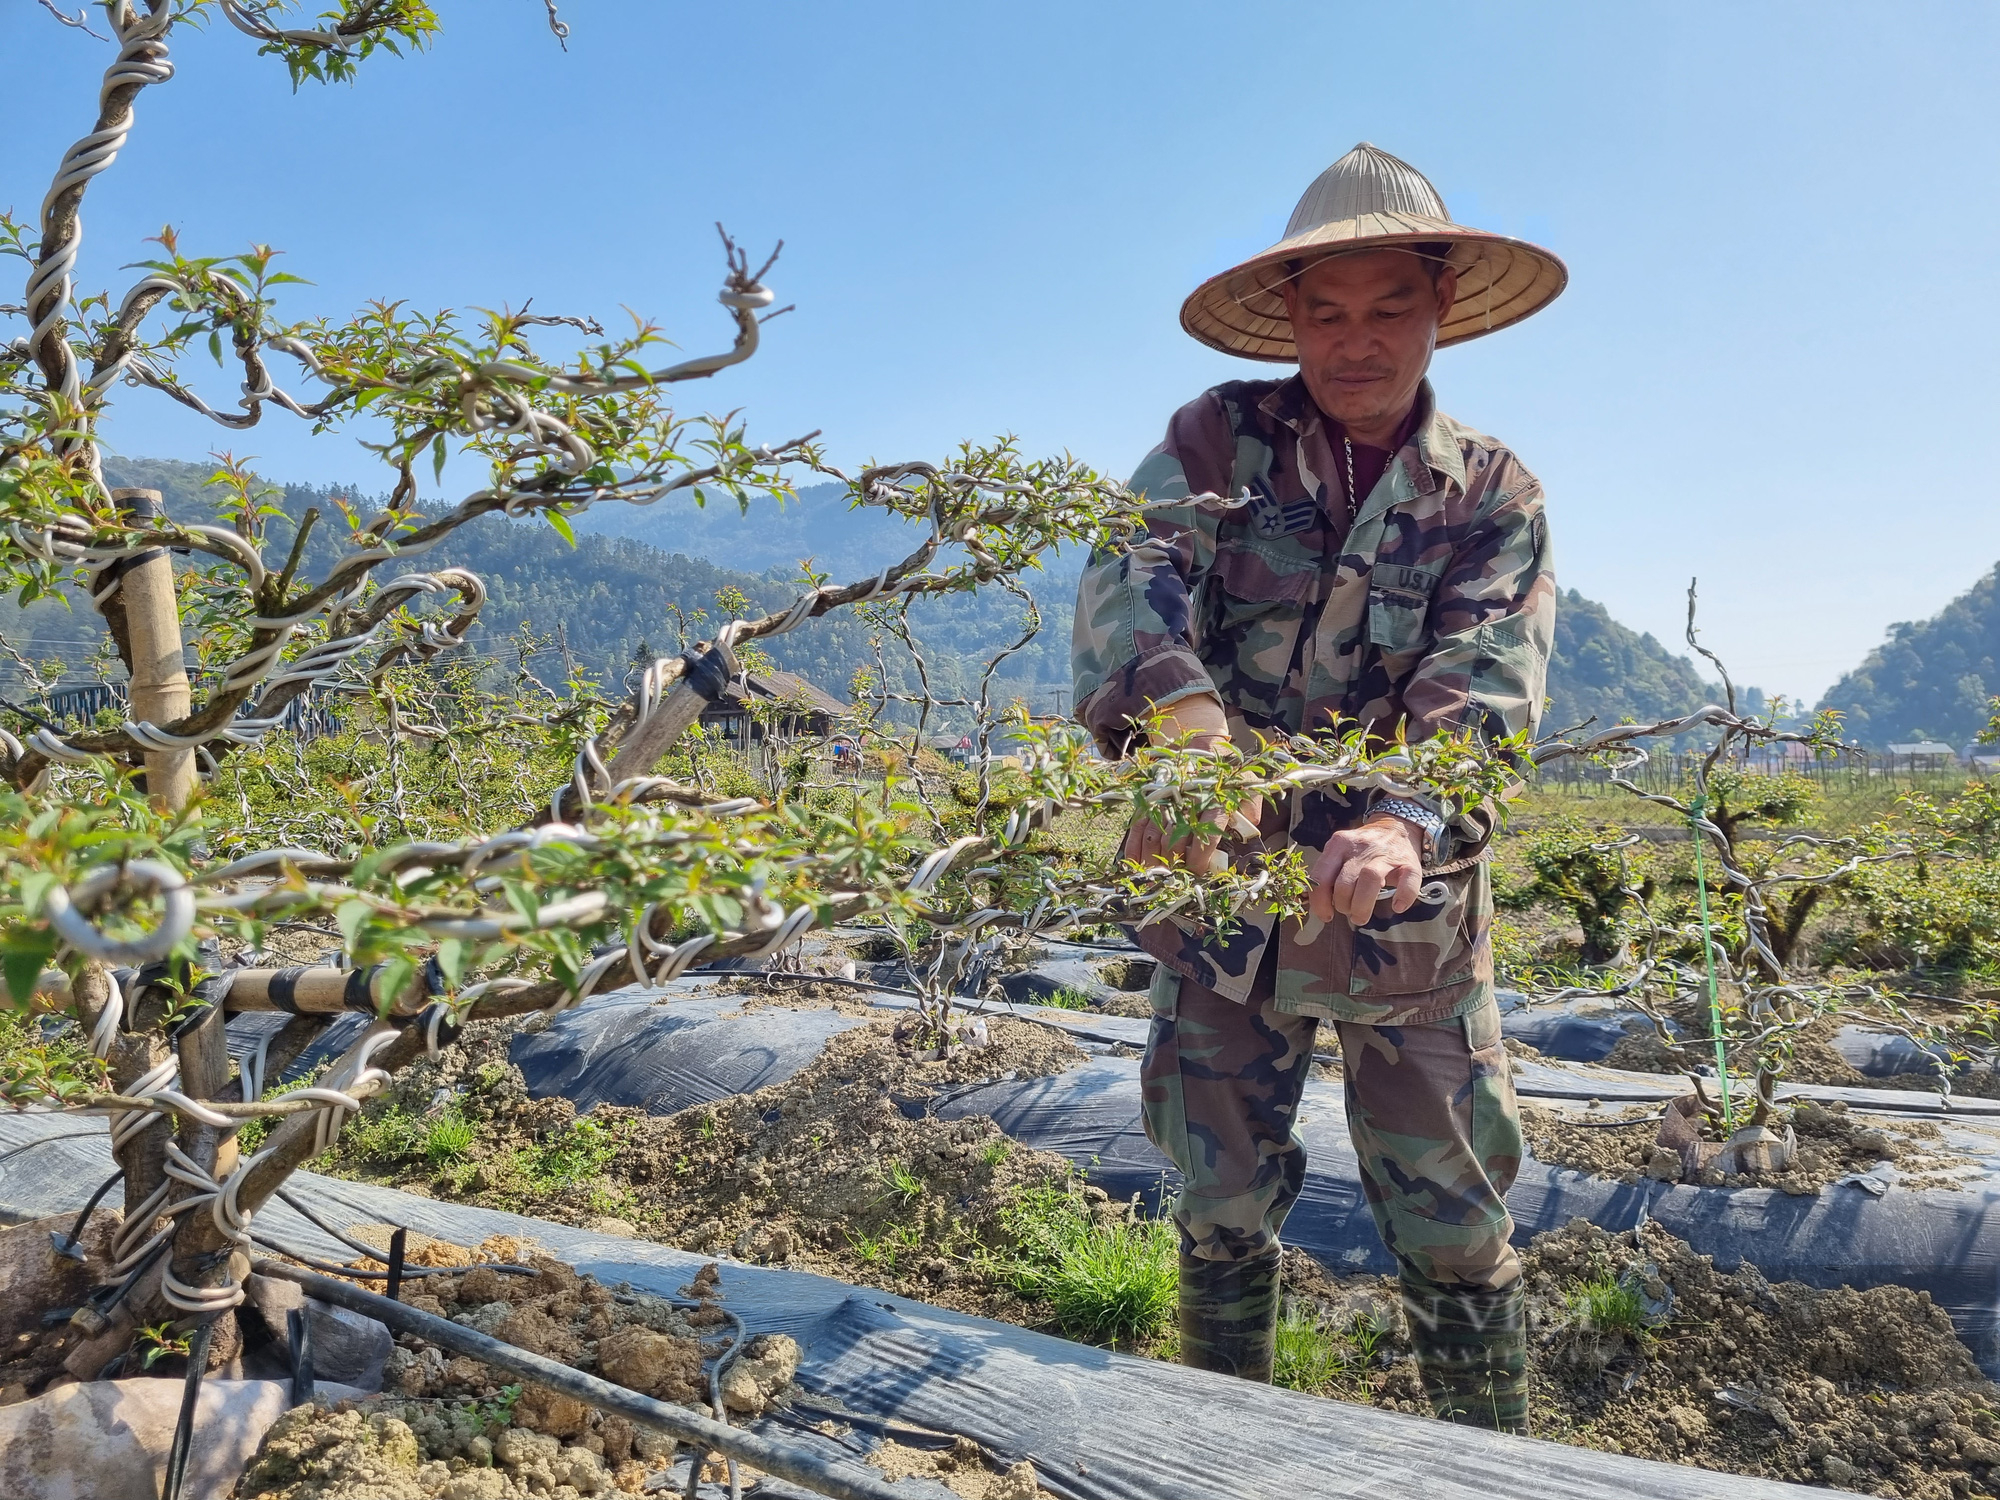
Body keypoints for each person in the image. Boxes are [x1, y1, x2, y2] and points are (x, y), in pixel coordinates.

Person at [1071, 143, 1563, 1432]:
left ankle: (1483, 1461)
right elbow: (1133, 574)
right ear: (1289, 319)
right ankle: (1221, 1446)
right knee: (1220, 1198)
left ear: (1440, 307)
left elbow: (1485, 680)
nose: (1358, 343)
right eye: (1327, 313)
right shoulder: (1213, 442)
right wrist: (1184, 725)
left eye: (1389, 306)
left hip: (1406, 909)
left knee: (1451, 1207)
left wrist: (1405, 817)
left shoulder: (1493, 496)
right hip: (1220, 885)